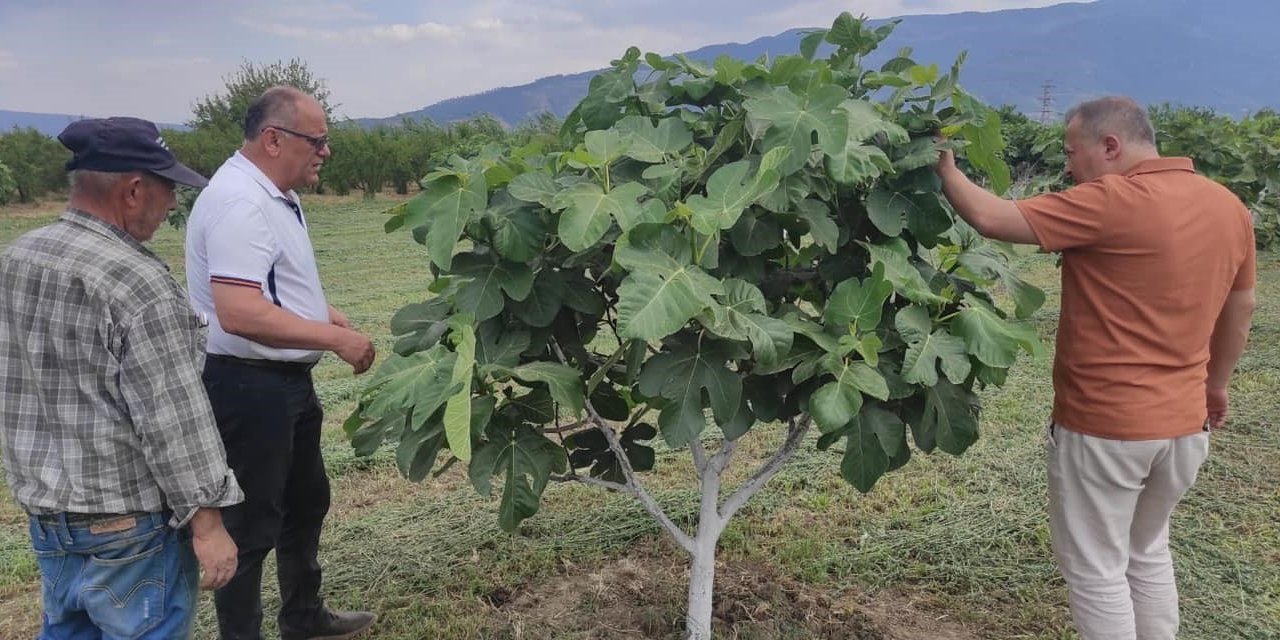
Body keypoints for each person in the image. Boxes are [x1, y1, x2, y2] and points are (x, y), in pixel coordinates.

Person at [935, 96, 1256, 639]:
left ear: (1111, 147)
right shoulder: (1227, 205)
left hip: (1107, 427)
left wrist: (942, 164)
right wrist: (1215, 387)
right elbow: (1240, 306)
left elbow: (991, 216)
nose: (1067, 167)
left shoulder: (1110, 199)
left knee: (1096, 571)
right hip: (1184, 427)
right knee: (1146, 551)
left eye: (1071, 152)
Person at [0, 117, 243, 639]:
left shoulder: (17, 258)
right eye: (168, 189)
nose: (173, 204)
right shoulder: (136, 280)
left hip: (49, 520)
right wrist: (209, 523)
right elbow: (173, 418)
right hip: (129, 528)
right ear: (134, 190)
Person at [185, 85, 377, 640]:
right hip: (249, 387)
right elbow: (240, 311)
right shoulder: (240, 203)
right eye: (317, 140)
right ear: (274, 139)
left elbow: (268, 286)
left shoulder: (272, 193)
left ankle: (303, 617)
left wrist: (324, 314)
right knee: (250, 526)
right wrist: (332, 338)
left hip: (283, 383)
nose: (325, 151)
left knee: (305, 501)